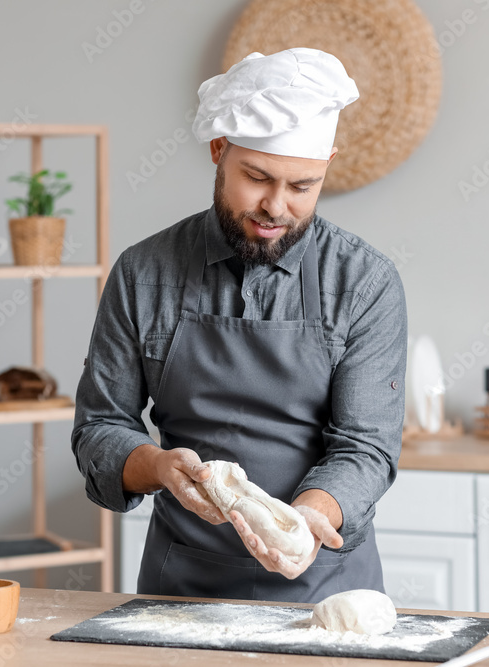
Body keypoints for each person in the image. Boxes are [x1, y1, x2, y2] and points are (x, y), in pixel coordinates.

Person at [72, 47, 407, 603]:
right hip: (180, 591)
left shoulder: (365, 282)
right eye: (257, 177)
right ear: (219, 150)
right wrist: (156, 465)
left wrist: (299, 522)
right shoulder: (143, 273)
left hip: (323, 588)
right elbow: (99, 428)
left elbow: (365, 448)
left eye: (303, 186)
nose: (277, 206)